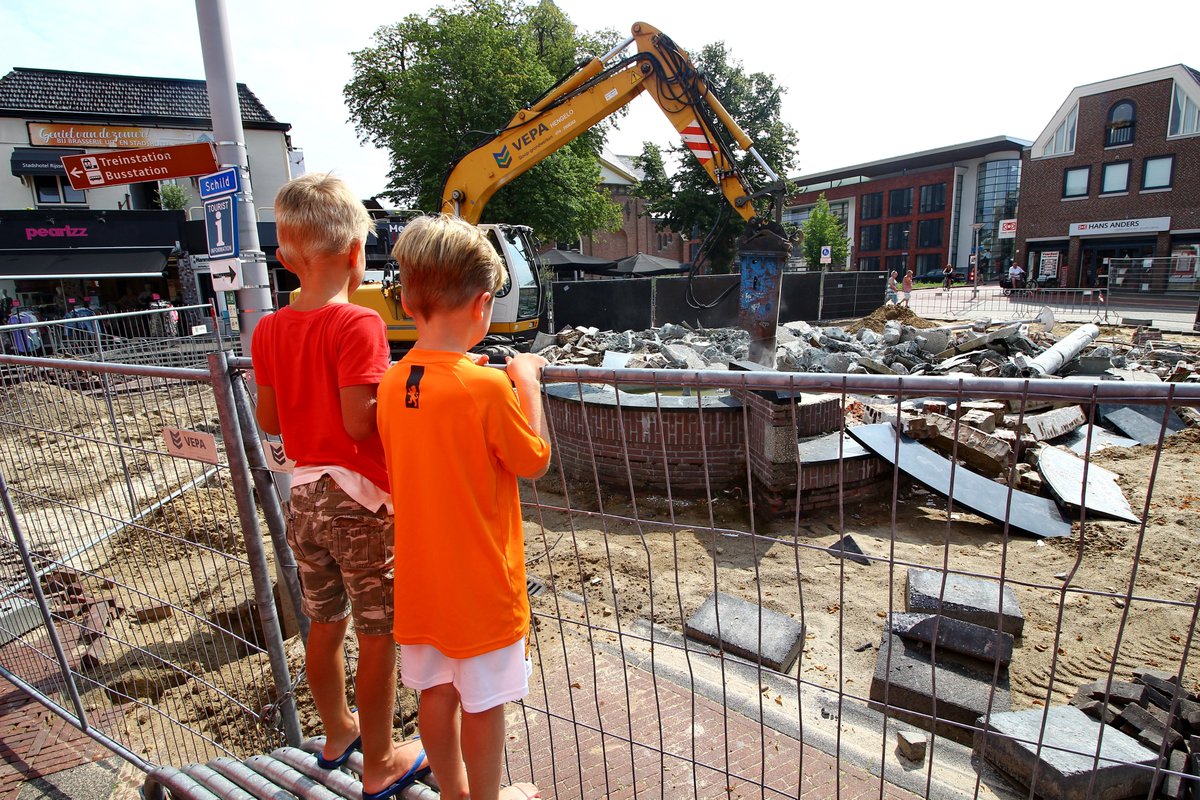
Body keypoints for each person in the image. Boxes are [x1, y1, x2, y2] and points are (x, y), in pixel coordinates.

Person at [250, 173, 429, 799]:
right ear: (358, 254)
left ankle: (336, 733)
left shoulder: (269, 329)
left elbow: (269, 421)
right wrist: (406, 392)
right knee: (378, 631)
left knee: (324, 621)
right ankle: (379, 761)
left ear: (284, 257)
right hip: (360, 499)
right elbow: (360, 420)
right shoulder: (357, 323)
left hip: (303, 495)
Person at [377, 213, 549, 800]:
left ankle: (450, 792)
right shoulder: (487, 387)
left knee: (437, 692)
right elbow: (534, 460)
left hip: (422, 580)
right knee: (483, 702)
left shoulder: (393, 383)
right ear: (482, 305)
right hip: (481, 584)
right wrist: (526, 380)